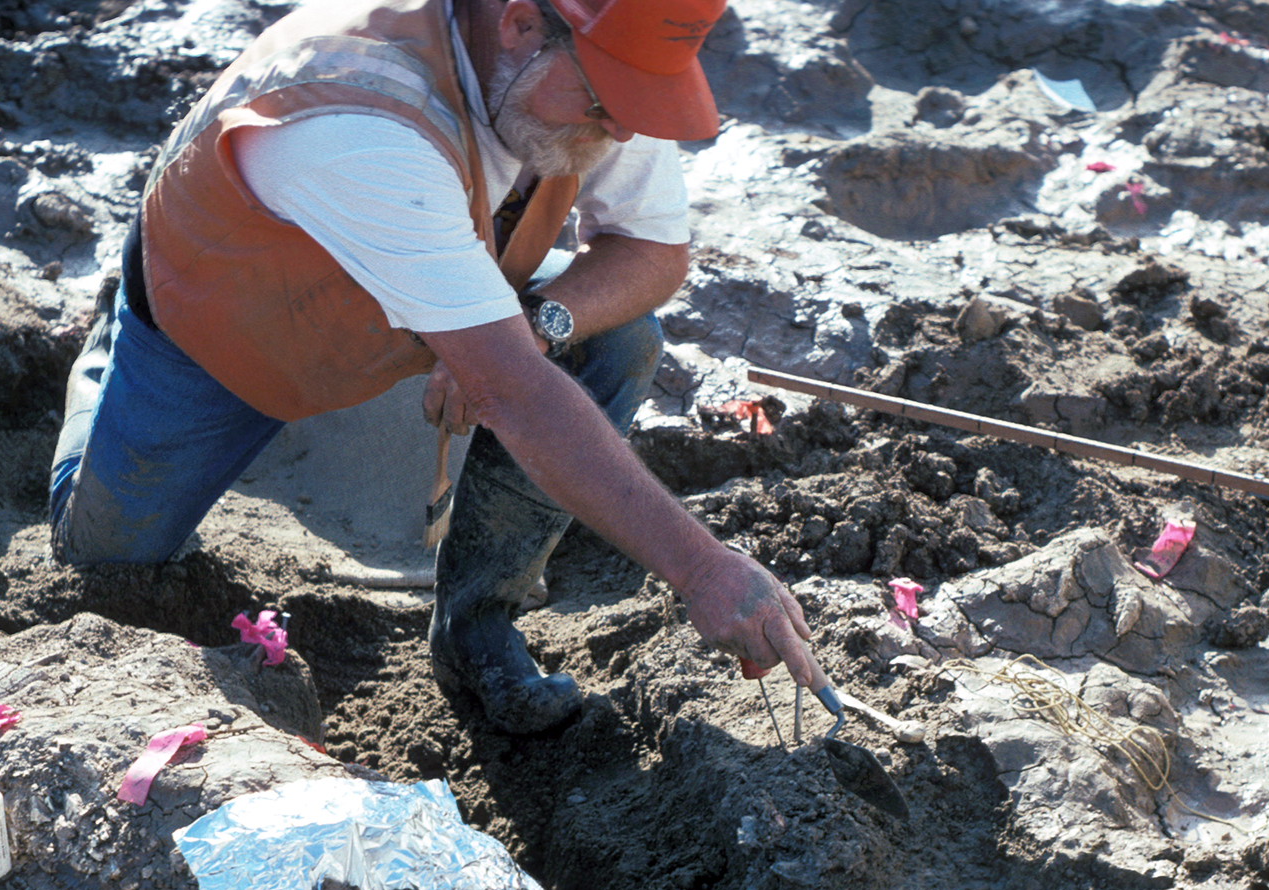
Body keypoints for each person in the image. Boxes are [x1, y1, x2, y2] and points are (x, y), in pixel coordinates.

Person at [48, 0, 822, 733]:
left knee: (619, 335)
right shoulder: (355, 110)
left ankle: (476, 627)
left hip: (425, 286)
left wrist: (541, 325)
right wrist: (702, 568)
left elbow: (654, 251)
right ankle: (113, 342)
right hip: (226, 318)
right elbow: (512, 392)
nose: (619, 130)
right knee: (108, 565)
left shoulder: (594, 62)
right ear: (521, 23)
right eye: (601, 104)